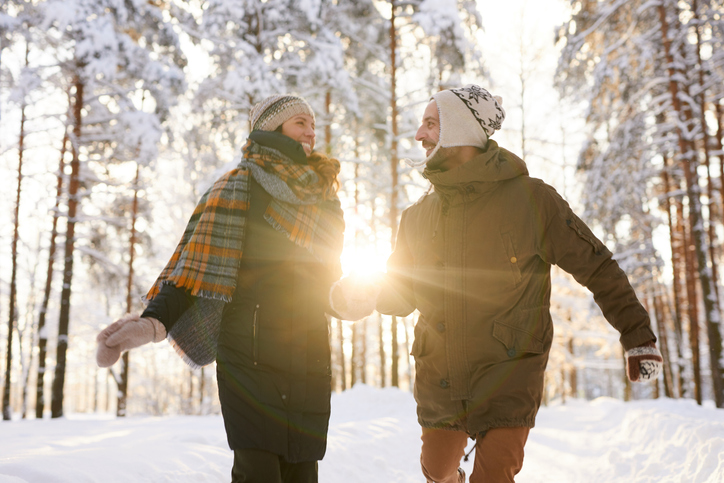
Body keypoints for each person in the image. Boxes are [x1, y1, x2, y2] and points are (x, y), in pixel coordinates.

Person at [330, 84, 663, 483]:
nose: (419, 134)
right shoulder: (417, 216)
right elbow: (402, 292)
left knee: (494, 476)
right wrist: (360, 295)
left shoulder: (533, 200)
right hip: (441, 373)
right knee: (437, 471)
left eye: (431, 124)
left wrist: (637, 335)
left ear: (460, 131)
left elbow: (597, 266)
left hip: (510, 367)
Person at [96, 94, 346, 483]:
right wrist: (151, 324)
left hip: (308, 355)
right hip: (250, 357)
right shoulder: (235, 189)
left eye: (312, 124)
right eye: (300, 122)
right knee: (258, 471)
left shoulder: (325, 200)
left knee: (302, 471)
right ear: (271, 128)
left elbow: (330, 282)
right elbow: (192, 272)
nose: (311, 131)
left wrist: (351, 298)